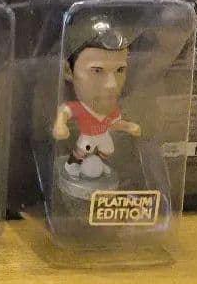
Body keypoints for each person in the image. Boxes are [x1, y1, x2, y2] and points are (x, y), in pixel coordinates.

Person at [52, 14, 141, 182]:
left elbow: (114, 123)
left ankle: (99, 163)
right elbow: (64, 111)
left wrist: (129, 127)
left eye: (120, 70)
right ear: (68, 71)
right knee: (83, 149)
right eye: (97, 71)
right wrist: (60, 125)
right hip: (88, 136)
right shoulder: (81, 107)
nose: (112, 85)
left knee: (108, 149)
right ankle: (72, 165)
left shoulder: (110, 109)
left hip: (102, 135)